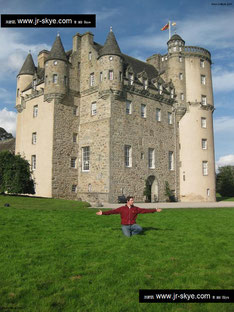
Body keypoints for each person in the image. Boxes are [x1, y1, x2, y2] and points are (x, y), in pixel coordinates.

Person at [96, 196, 162, 237]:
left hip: (133, 224)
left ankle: (132, 233)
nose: (133, 201)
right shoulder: (122, 208)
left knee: (140, 228)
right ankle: (128, 233)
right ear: (127, 201)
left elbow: (145, 210)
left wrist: (155, 210)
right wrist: (103, 213)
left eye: (133, 200)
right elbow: (112, 211)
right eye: (131, 200)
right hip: (125, 225)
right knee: (128, 237)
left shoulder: (135, 208)